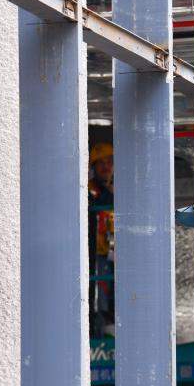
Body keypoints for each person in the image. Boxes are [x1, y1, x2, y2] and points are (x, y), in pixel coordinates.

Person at [88, 142, 115, 332]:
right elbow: (99, 202)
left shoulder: (117, 187)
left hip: (114, 249)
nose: (106, 166)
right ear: (94, 167)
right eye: (101, 163)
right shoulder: (91, 189)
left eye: (110, 162)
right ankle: (101, 327)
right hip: (97, 251)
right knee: (100, 292)